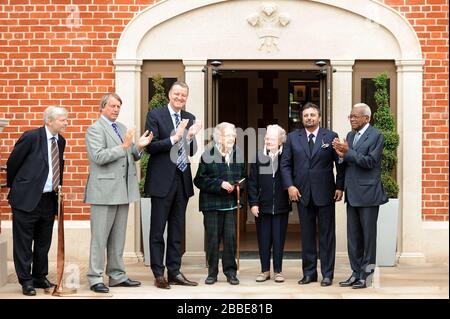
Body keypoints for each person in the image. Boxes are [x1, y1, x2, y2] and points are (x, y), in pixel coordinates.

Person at [85, 93, 153, 293]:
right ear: (103, 107)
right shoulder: (95, 129)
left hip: (123, 190)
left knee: (118, 237)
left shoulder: (122, 128)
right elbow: (98, 156)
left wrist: (138, 146)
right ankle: (95, 277)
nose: (116, 109)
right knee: (99, 238)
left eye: (118, 107)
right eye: (112, 106)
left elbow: (131, 155)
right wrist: (124, 146)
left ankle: (117, 275)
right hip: (103, 192)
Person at [144, 81, 202, 289]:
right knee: (158, 229)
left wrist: (191, 136)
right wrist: (174, 138)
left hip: (181, 179)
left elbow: (192, 151)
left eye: (183, 95)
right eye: (176, 94)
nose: (180, 98)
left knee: (177, 229)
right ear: (170, 94)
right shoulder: (155, 115)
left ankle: (175, 271)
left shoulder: (189, 118)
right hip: (161, 180)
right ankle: (159, 274)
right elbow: (150, 147)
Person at [280, 102, 344, 287]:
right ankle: (309, 273)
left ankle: (327, 274)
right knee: (307, 236)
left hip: (326, 193)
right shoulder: (292, 138)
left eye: (312, 115)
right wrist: (290, 186)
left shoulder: (330, 136)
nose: (309, 118)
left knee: (326, 235)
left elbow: (340, 163)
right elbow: (285, 165)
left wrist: (340, 186)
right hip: (302, 194)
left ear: (319, 117)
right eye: (306, 115)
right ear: (302, 118)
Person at [6, 106, 68, 296]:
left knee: (43, 242)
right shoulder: (31, 137)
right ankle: (26, 280)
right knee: (24, 243)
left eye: (65, 119)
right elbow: (13, 163)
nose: (66, 123)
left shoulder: (61, 141)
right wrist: (19, 187)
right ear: (49, 121)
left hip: (49, 199)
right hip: (26, 198)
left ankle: (39, 276)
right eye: (62, 120)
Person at [332, 103, 388, 289]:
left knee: (368, 238)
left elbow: (370, 162)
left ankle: (367, 276)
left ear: (366, 118)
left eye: (355, 116)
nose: (352, 119)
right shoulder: (350, 135)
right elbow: (348, 162)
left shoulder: (377, 135)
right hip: (353, 193)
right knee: (353, 238)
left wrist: (348, 152)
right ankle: (356, 273)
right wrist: (340, 155)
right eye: (350, 116)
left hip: (369, 194)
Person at [194, 122, 246, 285]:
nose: (233, 138)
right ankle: (212, 273)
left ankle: (230, 272)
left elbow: (244, 177)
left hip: (231, 204)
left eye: (234, 135)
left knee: (230, 239)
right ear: (219, 137)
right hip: (212, 205)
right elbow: (199, 180)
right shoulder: (208, 154)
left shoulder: (238, 153)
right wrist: (220, 184)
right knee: (213, 239)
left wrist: (239, 185)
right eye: (229, 135)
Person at [248, 124, 291, 283]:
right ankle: (265, 270)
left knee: (279, 240)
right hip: (262, 207)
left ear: (280, 141)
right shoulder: (258, 157)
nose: (267, 141)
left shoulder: (286, 157)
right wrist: (253, 203)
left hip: (281, 206)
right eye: (266, 138)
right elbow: (252, 182)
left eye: (271, 138)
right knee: (264, 240)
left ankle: (278, 271)